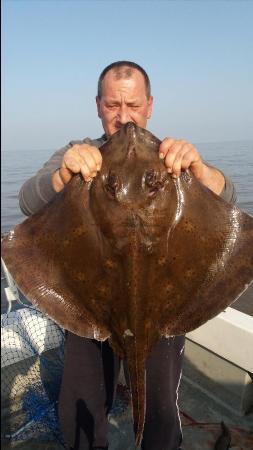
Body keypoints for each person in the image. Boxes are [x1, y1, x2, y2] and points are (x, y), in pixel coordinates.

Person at [19, 61, 236, 450]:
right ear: (98, 105)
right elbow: (27, 201)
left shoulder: (173, 159)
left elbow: (228, 198)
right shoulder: (76, 153)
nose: (124, 119)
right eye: (113, 106)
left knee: (161, 414)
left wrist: (200, 170)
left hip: (164, 307)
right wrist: (63, 177)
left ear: (149, 105)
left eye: (133, 106)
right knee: (79, 406)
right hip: (89, 306)